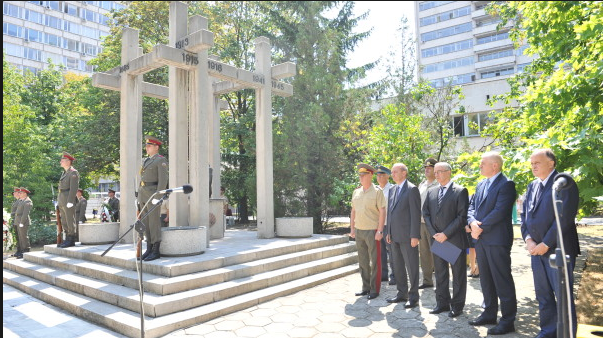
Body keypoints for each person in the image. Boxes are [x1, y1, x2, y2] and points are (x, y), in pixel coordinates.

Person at [521, 149, 580, 338]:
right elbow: (525, 216)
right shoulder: (532, 186)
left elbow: (564, 218)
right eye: (532, 163)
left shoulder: (564, 184)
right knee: (543, 296)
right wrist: (528, 240)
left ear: (551, 163)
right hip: (536, 251)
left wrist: (546, 243)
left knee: (563, 297)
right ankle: (547, 332)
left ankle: (567, 334)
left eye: (537, 162)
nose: (534, 166)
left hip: (558, 250)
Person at [467, 152, 517, 335]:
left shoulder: (506, 185)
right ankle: (489, 313)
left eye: (482, 163)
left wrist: (480, 227)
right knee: (486, 279)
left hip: (496, 240)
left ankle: (508, 320)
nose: (480, 166)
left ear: (495, 166)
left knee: (502, 280)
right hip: (480, 239)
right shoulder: (481, 184)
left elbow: (500, 211)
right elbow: (471, 207)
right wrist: (472, 223)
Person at [423, 162, 469, 318]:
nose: (436, 175)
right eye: (435, 172)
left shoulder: (460, 191)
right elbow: (426, 214)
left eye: (440, 172)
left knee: (458, 275)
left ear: (449, 172)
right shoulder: (431, 192)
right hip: (437, 239)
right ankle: (442, 303)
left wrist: (445, 234)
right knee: (441, 273)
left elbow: (462, 217)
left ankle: (457, 306)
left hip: (453, 240)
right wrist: (434, 233)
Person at [385, 163, 421, 309]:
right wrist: (388, 232)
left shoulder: (412, 189)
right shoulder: (392, 189)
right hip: (394, 236)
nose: (392, 174)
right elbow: (390, 213)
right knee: (397, 266)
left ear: (404, 173)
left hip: (408, 236)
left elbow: (415, 214)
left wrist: (415, 235)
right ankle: (402, 293)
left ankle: (413, 297)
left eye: (395, 172)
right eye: (392, 172)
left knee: (411, 267)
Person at [349, 163, 386, 300]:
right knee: (363, 260)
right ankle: (365, 287)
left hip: (372, 230)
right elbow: (353, 211)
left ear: (370, 175)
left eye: (364, 175)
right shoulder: (356, 192)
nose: (361, 177)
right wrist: (352, 228)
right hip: (359, 230)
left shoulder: (377, 192)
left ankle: (375, 289)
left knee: (375, 261)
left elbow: (382, 211)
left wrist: (380, 230)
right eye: (360, 175)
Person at [138, 135, 168, 261]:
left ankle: (156, 250)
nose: (147, 148)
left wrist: (159, 196)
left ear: (156, 147)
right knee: (145, 222)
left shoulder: (160, 160)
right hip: (143, 193)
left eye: (149, 146)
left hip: (153, 194)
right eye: (146, 146)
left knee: (154, 222)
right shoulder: (146, 160)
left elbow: (163, 180)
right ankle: (149, 247)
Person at [418, 158, 439, 289]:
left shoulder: (438, 184)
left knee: (438, 251)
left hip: (434, 224)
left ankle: (441, 279)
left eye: (429, 168)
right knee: (424, 252)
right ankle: (427, 280)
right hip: (421, 223)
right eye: (425, 167)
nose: (426, 169)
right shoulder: (422, 184)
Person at [375, 165, 395, 285]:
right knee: (380, 251)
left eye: (382, 175)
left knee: (392, 252)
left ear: (388, 176)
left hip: (389, 225)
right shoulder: (375, 189)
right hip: (378, 226)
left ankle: (395, 275)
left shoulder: (393, 189)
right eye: (378, 175)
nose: (379, 177)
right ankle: (383, 275)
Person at [57, 152, 80, 248]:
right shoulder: (65, 173)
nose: (60, 162)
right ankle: (67, 238)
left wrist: (70, 201)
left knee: (70, 219)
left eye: (62, 160)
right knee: (64, 220)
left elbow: (74, 188)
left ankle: (71, 239)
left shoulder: (73, 172)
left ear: (68, 161)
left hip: (68, 199)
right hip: (62, 198)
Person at [14, 188, 33, 259]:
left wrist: (22, 222)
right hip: (18, 221)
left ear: (25, 193)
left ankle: (26, 250)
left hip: (23, 221)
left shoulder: (27, 201)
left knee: (24, 237)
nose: (19, 194)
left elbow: (25, 214)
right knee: (20, 237)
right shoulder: (22, 201)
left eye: (21, 193)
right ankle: (22, 251)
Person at [10, 187, 22, 257]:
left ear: (18, 193)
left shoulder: (21, 201)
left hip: (19, 220)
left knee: (21, 237)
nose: (13, 194)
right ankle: (18, 250)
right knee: (17, 236)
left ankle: (22, 251)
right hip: (15, 220)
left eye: (14, 192)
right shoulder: (17, 201)